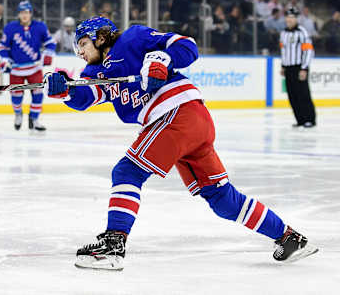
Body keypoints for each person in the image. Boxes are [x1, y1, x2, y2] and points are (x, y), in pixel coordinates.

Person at [46, 16, 318, 270]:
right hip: (191, 123)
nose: (79, 52)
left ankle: (113, 247)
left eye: (82, 44)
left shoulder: (133, 38)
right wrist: (65, 89)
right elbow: (86, 97)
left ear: (100, 37)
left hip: (178, 113)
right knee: (220, 197)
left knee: (127, 172)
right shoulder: (95, 71)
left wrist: (161, 59)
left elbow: (186, 46)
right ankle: (288, 237)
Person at [0, 0, 56, 131]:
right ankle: (18, 114)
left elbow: (51, 43)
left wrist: (47, 54)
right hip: (16, 70)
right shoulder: (10, 28)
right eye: (22, 12)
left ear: (31, 14)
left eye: (27, 12)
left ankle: (34, 119)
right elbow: (2, 47)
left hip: (35, 69)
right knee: (16, 97)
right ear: (18, 14)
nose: (24, 15)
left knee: (38, 94)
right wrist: (5, 59)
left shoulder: (40, 26)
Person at [280, 7, 316, 128]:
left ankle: (309, 119)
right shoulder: (283, 33)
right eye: (288, 17)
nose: (289, 19)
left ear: (296, 19)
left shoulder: (302, 32)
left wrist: (304, 68)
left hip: (299, 67)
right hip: (288, 68)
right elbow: (283, 51)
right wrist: (283, 66)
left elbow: (308, 51)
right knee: (292, 95)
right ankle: (300, 119)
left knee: (303, 94)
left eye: (292, 17)